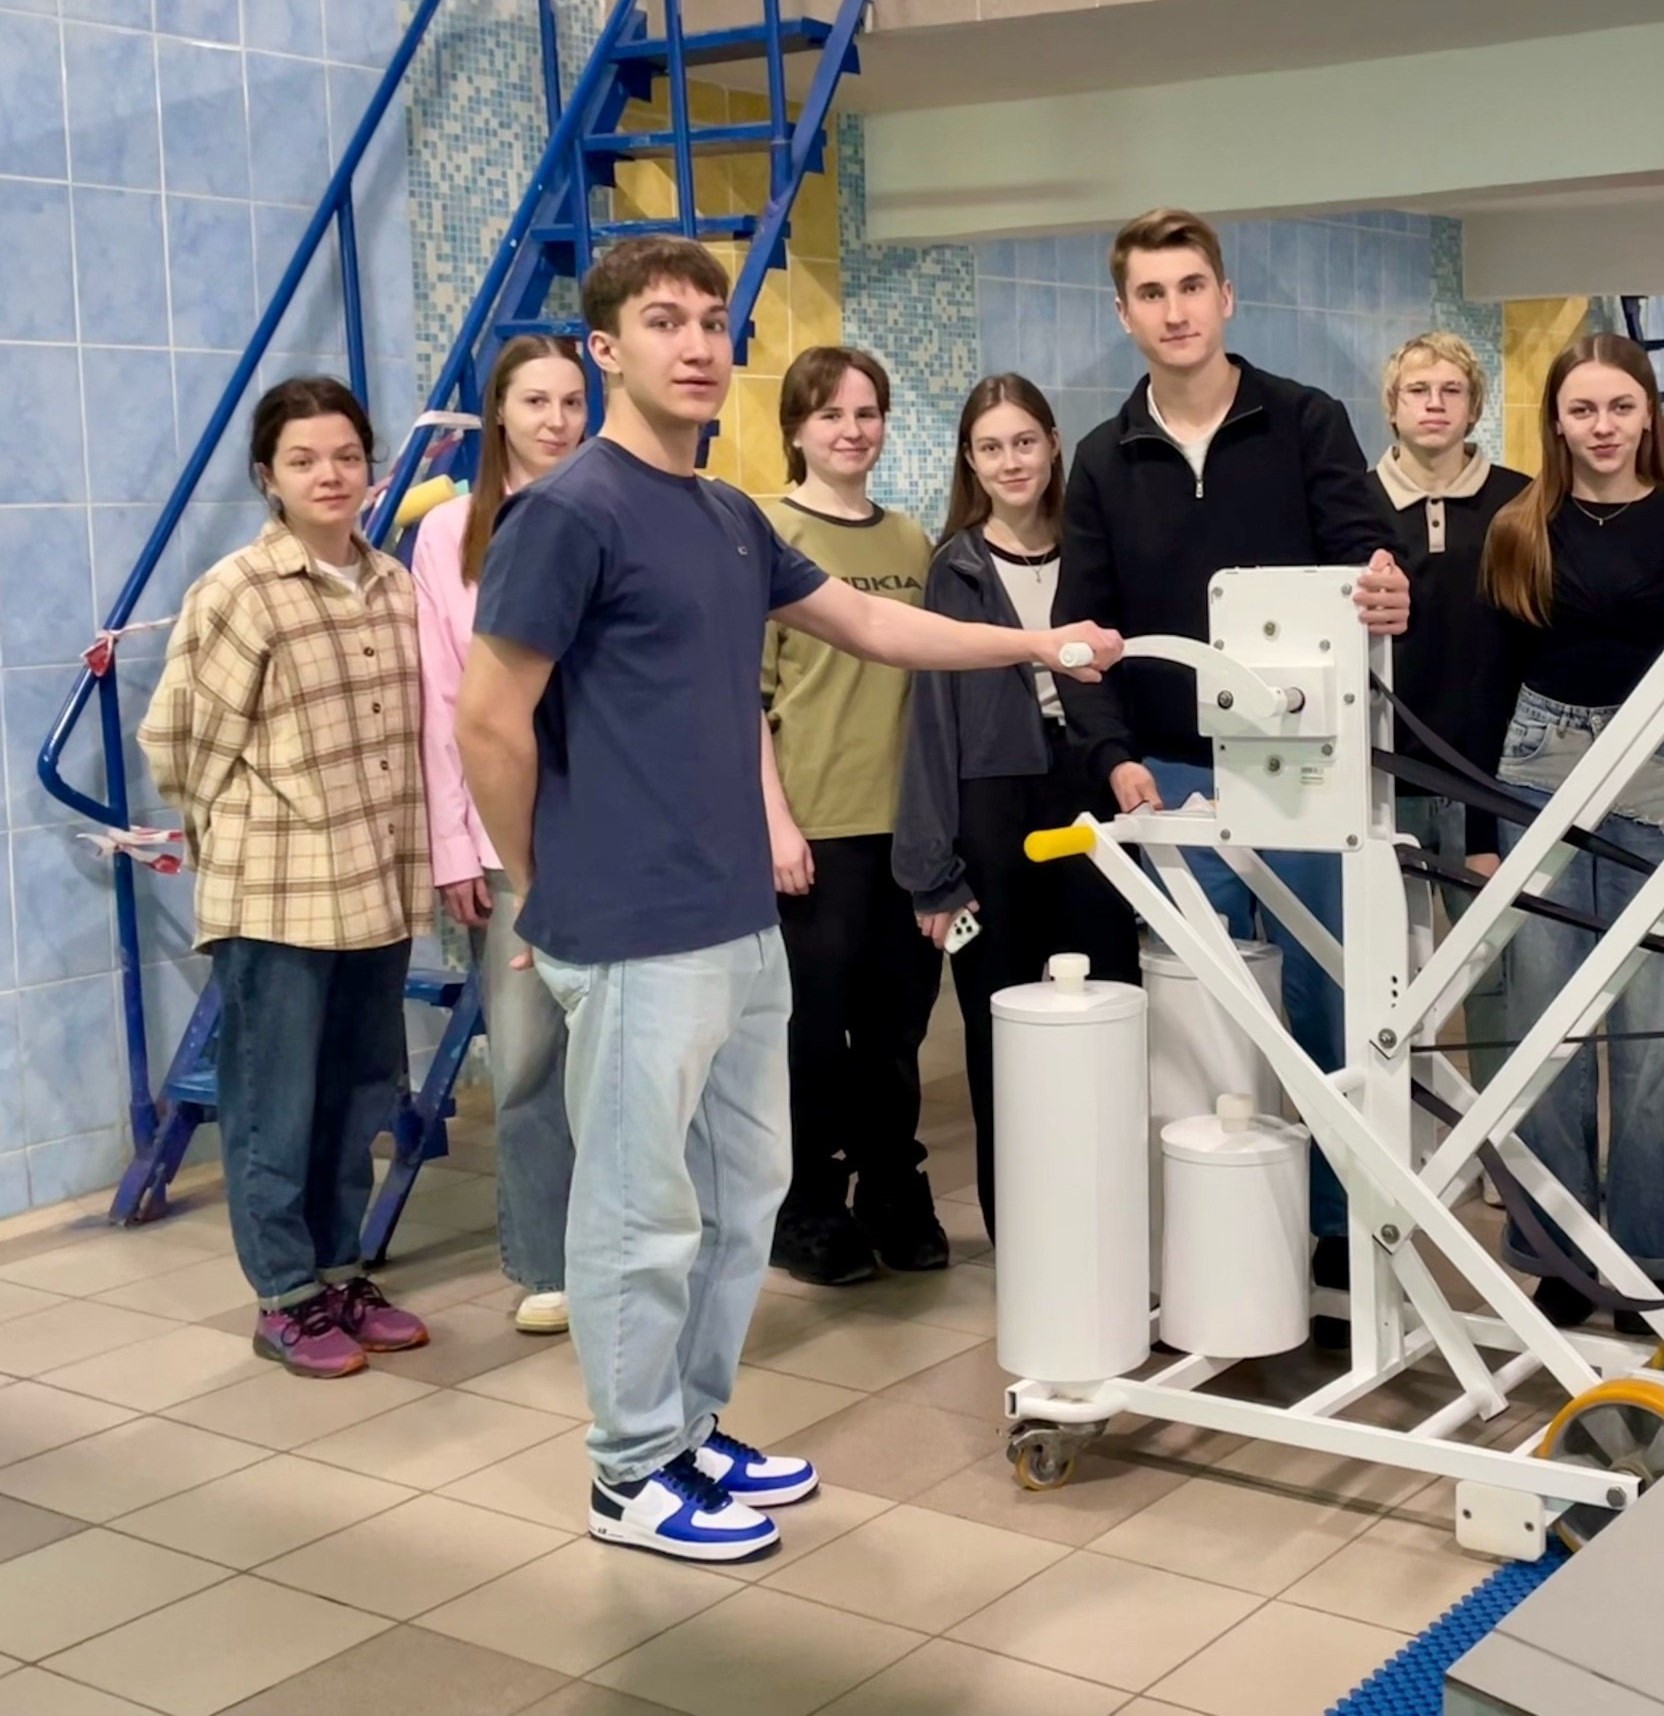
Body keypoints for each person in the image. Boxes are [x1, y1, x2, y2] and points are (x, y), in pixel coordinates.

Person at [455, 236, 1119, 1564]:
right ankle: (627, 1470)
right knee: (638, 1209)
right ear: (607, 350)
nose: (698, 344)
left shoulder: (724, 515)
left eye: (713, 321)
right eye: (664, 322)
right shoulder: (569, 512)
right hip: (630, 923)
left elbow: (873, 627)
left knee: (739, 1191)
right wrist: (542, 882)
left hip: (736, 916)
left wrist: (1037, 642)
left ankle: (690, 1427)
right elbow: (487, 719)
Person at [1052, 207, 1409, 1342]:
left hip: (1303, 772)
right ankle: (1220, 1247)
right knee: (1204, 1025)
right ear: (1124, 313)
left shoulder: (1304, 421)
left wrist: (1388, 587)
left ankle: (1339, 1244)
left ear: (1226, 297)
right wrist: (1114, 759)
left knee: (1329, 1010)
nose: (1175, 311)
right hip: (1171, 780)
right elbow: (1081, 633)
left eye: (1191, 287)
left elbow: (1370, 560)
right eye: (1151, 294)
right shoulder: (1102, 458)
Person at [140, 376, 435, 1379]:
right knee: (276, 1102)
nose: (329, 476)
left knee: (359, 1092)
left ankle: (340, 1272)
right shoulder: (240, 591)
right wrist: (242, 834)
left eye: (346, 457)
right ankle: (286, 1295)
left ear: (370, 467)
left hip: (377, 886)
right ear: (268, 476)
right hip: (277, 894)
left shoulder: (394, 585)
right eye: (304, 461)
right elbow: (178, 742)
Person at [1470, 332, 1664, 1334]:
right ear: (1555, 421)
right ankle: (1556, 1253)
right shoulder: (1518, 525)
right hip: (1535, 764)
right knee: (1545, 1032)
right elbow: (1488, 676)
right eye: (1582, 409)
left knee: (1657, 1036)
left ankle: (1650, 1258)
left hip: (1662, 768)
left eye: (1620, 407)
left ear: (1651, 415)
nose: (1602, 427)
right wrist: (1483, 827)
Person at [895, 374, 1141, 1239]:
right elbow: (930, 720)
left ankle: (1106, 1219)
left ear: (1053, 445)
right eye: (990, 447)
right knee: (1001, 1024)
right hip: (992, 808)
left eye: (1024, 442)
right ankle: (1024, 1233)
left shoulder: (1091, 549)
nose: (1010, 462)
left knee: (1105, 1005)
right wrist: (931, 869)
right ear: (970, 461)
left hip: (1091, 791)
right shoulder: (955, 567)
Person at [758, 345, 949, 1286]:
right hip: (813, 827)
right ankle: (803, 1204)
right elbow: (740, 696)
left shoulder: (911, 542)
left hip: (903, 830)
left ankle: (889, 1186)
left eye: (866, 413)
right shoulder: (766, 532)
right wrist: (773, 823)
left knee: (895, 1030)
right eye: (829, 413)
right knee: (810, 1034)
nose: (851, 431)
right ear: (795, 428)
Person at [412, 333, 587, 1336]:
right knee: (526, 1059)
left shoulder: (608, 510)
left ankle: (629, 1252)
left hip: (611, 823)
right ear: (499, 415)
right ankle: (544, 1261)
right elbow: (447, 701)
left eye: (572, 401)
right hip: (506, 832)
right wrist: (455, 845)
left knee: (631, 1056)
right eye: (535, 401)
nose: (556, 420)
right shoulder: (450, 535)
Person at [1366, 332, 1529, 1106]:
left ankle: (1502, 1139)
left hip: (1490, 779)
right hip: (1383, 778)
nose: (1433, 405)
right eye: (1417, 391)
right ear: (1391, 406)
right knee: (1384, 980)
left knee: (1498, 978)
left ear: (1474, 406)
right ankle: (1396, 1138)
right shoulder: (1351, 504)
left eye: (1450, 391)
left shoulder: (1520, 502)